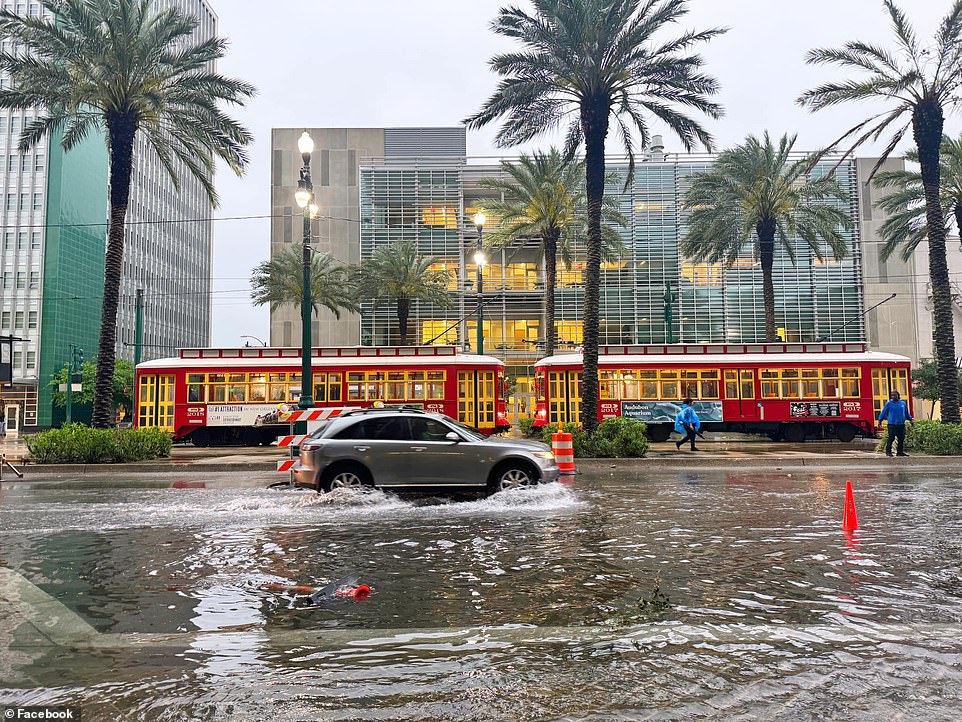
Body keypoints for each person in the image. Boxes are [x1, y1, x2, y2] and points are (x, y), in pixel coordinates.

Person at [878, 390, 912, 457]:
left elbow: (906, 413)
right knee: (891, 438)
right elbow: (883, 412)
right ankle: (888, 452)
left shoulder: (903, 403)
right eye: (892, 395)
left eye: (894, 395)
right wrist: (880, 420)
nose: (893, 396)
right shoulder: (889, 403)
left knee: (901, 439)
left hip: (901, 424)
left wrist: (910, 419)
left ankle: (900, 452)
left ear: (898, 396)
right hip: (892, 424)